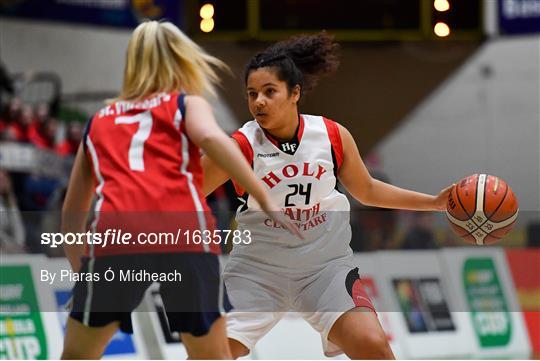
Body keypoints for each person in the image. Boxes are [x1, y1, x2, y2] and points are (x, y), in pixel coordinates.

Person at [202, 33, 453, 359]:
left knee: (374, 346)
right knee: (208, 355)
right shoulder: (239, 146)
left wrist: (433, 202)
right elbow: (186, 194)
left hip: (324, 271)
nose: (259, 101)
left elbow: (368, 191)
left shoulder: (332, 136)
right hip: (257, 273)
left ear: (295, 93)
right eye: (252, 94)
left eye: (269, 92)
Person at [60, 20, 297, 360]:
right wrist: (262, 195)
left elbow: (71, 218)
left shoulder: (99, 120)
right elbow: (215, 140)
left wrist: (85, 278)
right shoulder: (184, 104)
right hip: (184, 235)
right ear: (178, 59)